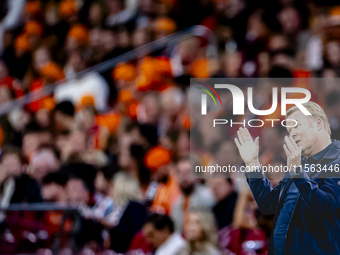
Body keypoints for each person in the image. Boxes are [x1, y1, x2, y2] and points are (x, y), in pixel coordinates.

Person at [234, 101, 340, 255]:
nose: (293, 133)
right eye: (290, 130)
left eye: (297, 125)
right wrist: (253, 164)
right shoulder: (300, 164)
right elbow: (269, 205)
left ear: (318, 124)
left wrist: (297, 172)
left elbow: (324, 206)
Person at [171, 155, 215, 233]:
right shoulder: (175, 204)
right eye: (180, 173)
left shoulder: (208, 197)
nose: (184, 177)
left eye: (188, 172)